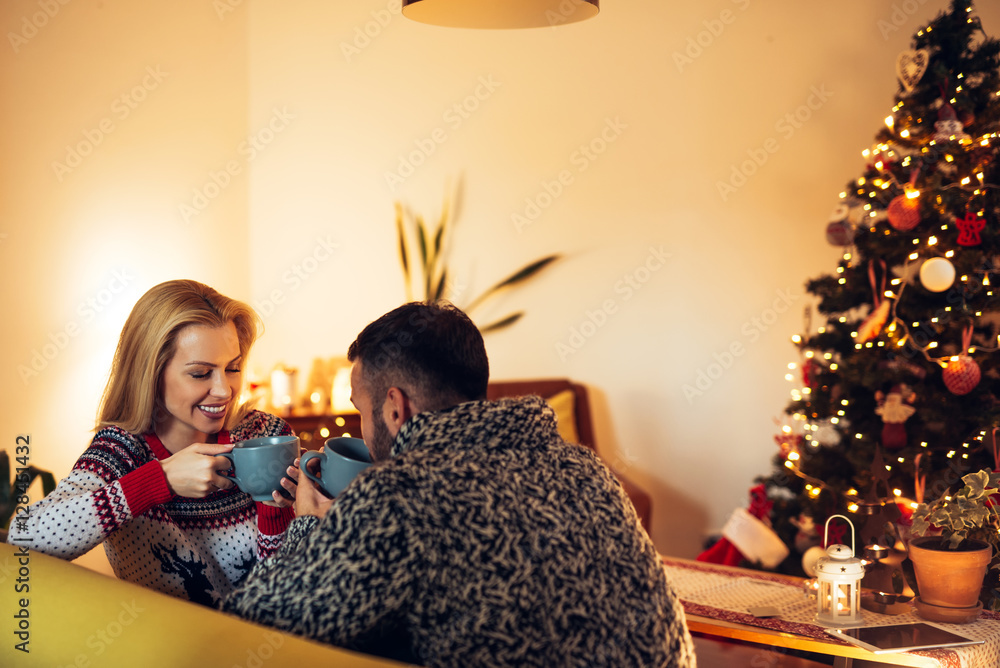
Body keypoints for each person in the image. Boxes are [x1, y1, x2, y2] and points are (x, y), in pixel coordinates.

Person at [221, 301, 695, 667]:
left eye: (360, 411)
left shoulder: (398, 495)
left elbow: (254, 627)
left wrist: (310, 527)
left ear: (394, 408)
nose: (363, 427)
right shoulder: (586, 469)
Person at [7, 279, 297, 607]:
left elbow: (284, 588)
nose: (224, 390)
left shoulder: (263, 433)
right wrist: (160, 480)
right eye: (201, 373)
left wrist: (282, 508)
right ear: (152, 372)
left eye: (232, 368)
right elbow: (26, 537)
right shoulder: (121, 452)